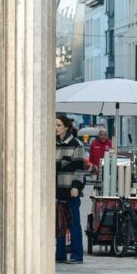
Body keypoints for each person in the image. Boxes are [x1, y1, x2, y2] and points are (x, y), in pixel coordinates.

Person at [55, 113, 85, 263]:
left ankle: (77, 255)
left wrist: (76, 187)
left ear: (66, 127)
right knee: (59, 224)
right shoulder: (52, 145)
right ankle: (60, 255)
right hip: (56, 191)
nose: (55, 128)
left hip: (70, 191)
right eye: (54, 125)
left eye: (59, 125)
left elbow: (79, 169)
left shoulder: (76, 145)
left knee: (73, 224)